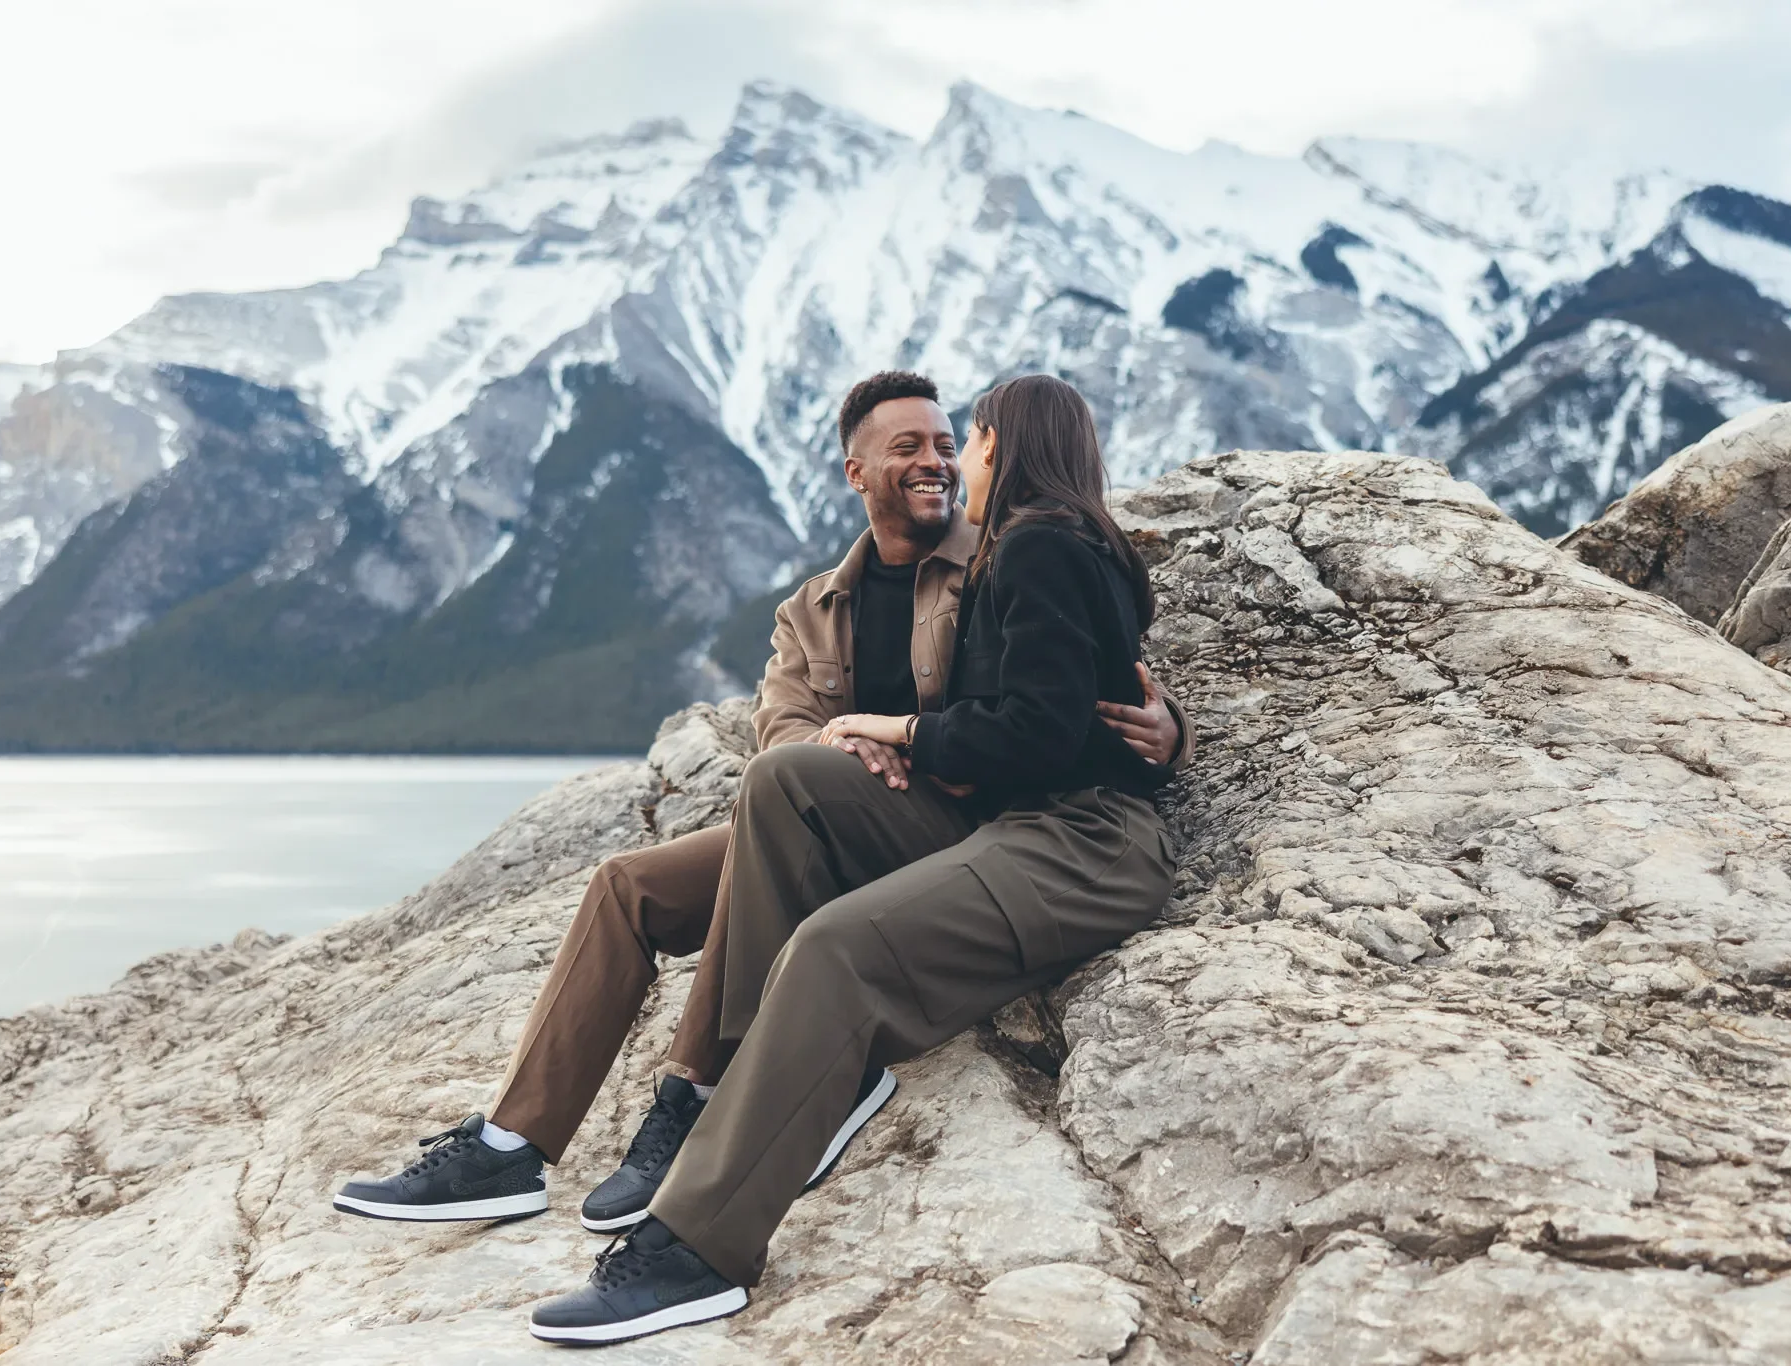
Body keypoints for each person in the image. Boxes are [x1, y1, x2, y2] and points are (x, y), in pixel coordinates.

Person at [331, 372, 1189, 1237]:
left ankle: (698, 1094)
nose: (936, 461)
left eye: (946, 442)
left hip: (959, 827)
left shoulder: (1001, 553)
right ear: (856, 473)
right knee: (630, 885)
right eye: (909, 448)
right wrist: (845, 749)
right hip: (835, 814)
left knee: (779, 809)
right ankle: (509, 1146)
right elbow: (783, 731)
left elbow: (1077, 689)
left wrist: (1172, 730)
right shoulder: (811, 611)